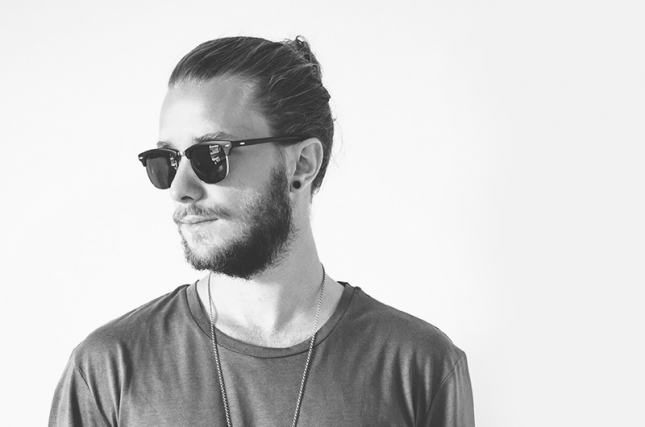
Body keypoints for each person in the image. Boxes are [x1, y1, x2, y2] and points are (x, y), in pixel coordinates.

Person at [49, 36, 475, 427]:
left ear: (301, 165)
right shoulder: (108, 371)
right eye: (167, 162)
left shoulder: (419, 367)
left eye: (211, 156)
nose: (180, 189)